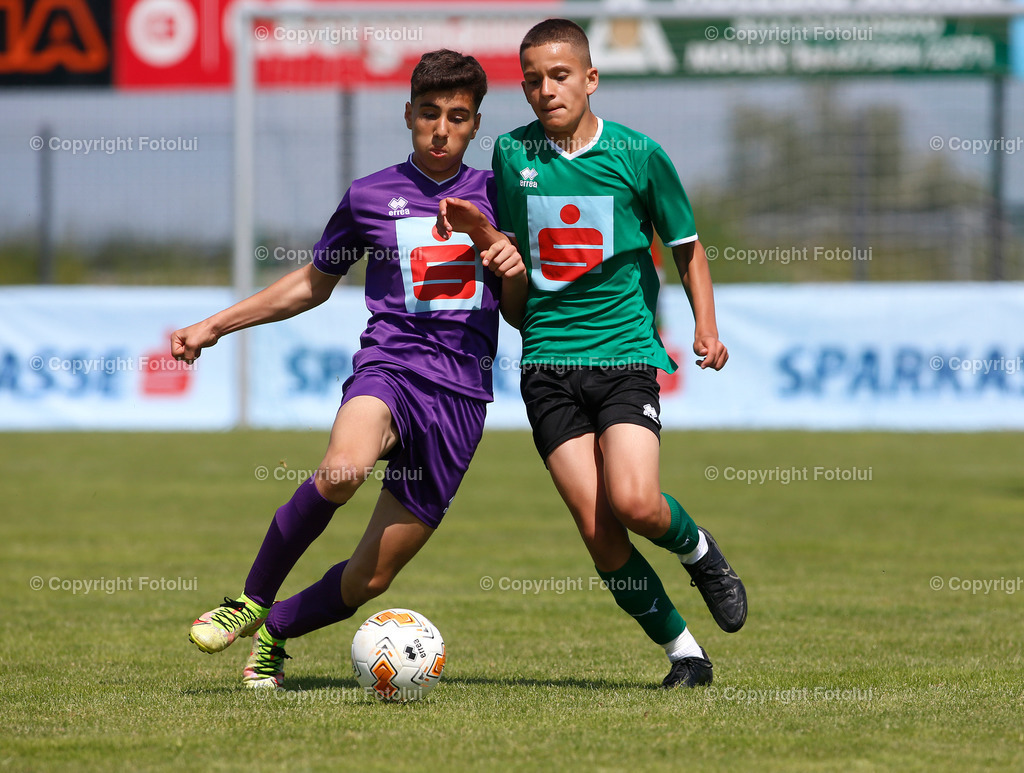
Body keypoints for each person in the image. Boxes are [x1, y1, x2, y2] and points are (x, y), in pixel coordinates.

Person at [172, 49, 526, 689]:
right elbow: (311, 284)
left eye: (457, 116)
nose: (441, 129)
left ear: (476, 125)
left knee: (372, 577)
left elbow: (523, 309)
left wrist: (494, 244)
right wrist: (214, 325)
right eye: (428, 114)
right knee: (342, 469)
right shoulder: (369, 196)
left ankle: (276, 630)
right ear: (408, 116)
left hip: (462, 399)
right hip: (390, 367)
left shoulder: (502, 196)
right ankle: (249, 599)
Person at [437, 19, 746, 689]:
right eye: (532, 81)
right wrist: (494, 249)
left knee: (635, 502)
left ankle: (701, 552)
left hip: (625, 354)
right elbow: (514, 286)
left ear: (590, 78)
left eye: (559, 76)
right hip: (546, 362)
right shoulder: (511, 156)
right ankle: (685, 654)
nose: (546, 90)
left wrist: (707, 327)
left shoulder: (638, 155)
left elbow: (687, 247)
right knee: (600, 531)